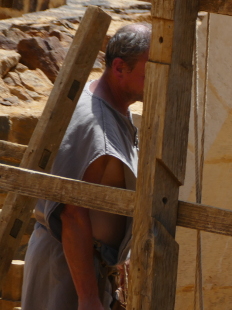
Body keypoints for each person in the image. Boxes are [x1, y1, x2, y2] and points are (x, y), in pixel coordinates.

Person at [21, 23, 151, 310]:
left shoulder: (116, 107)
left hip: (87, 266)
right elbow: (73, 214)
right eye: (149, 69)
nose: (158, 78)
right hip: (67, 270)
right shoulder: (96, 125)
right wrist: (88, 297)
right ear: (119, 68)